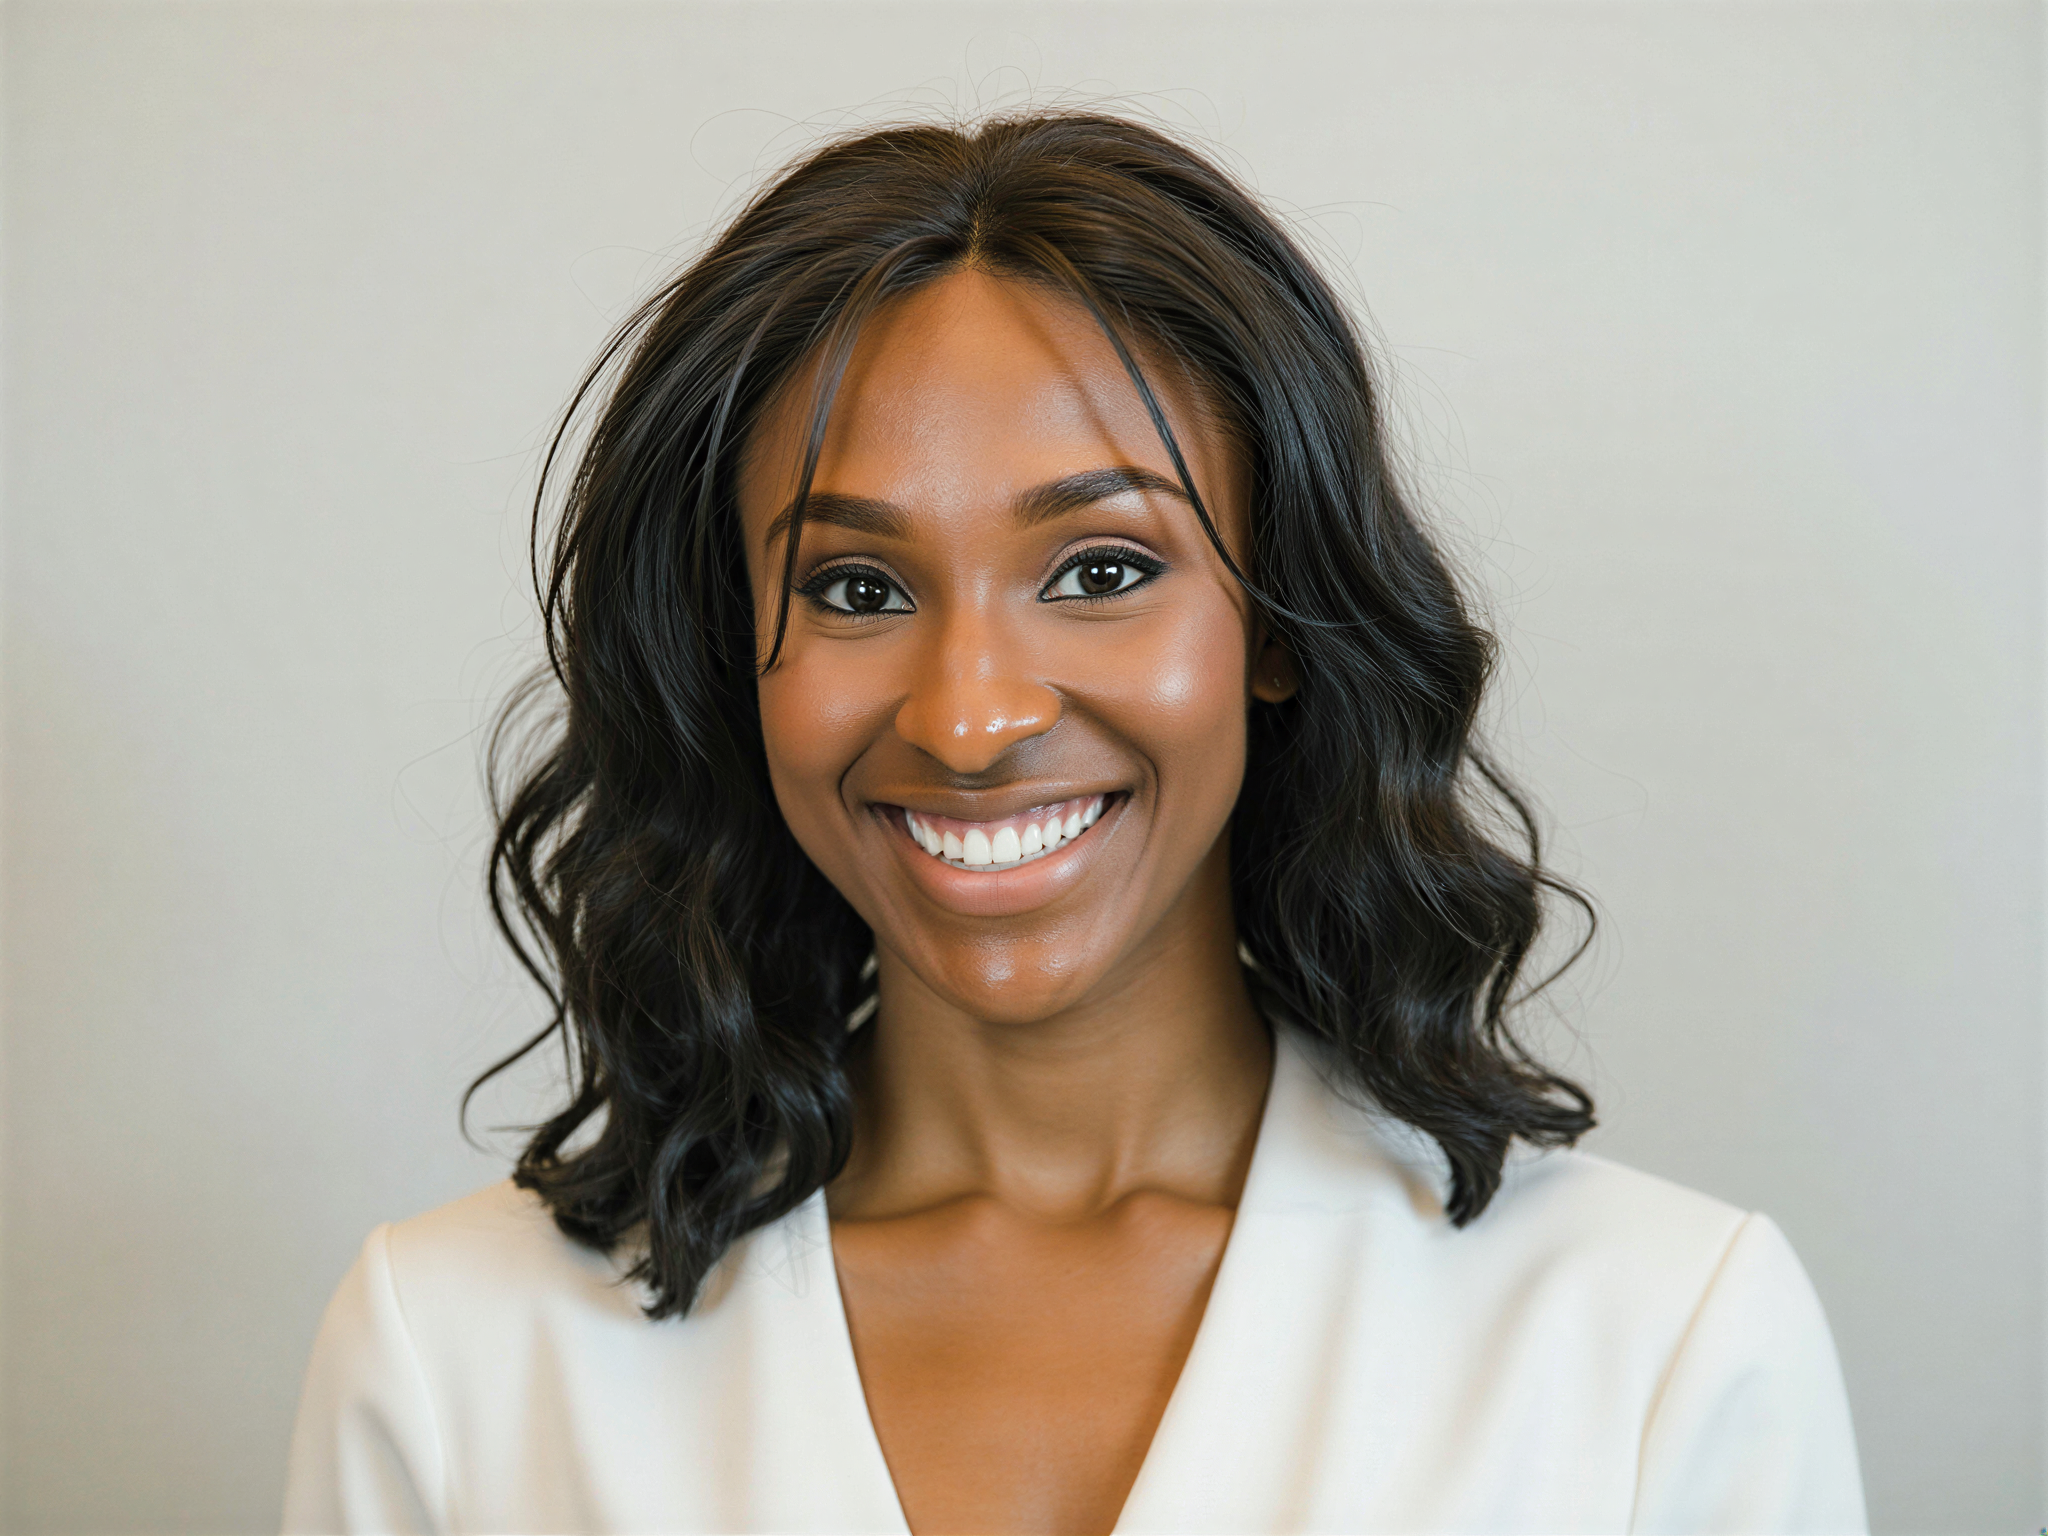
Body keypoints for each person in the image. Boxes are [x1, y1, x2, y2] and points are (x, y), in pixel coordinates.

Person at [283, 111, 1866, 1535]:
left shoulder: (1663, 1342)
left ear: (1280, 626)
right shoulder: (453, 1360)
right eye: (854, 588)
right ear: (727, 661)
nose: (971, 717)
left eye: (1103, 571)